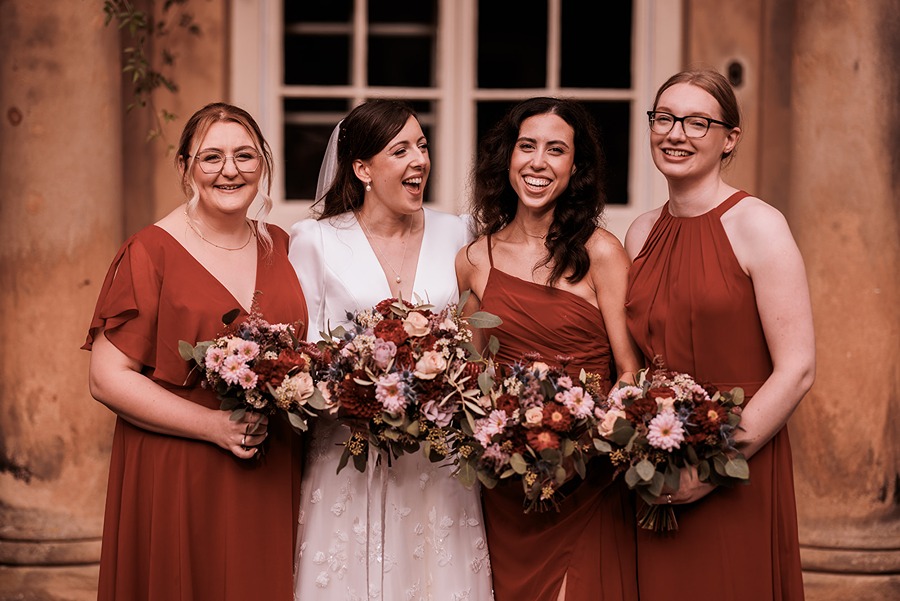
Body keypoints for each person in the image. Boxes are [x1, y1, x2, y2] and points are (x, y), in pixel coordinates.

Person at [83, 103, 306, 600]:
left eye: (245, 156)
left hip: (269, 466)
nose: (230, 170)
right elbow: (106, 377)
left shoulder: (285, 247)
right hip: (179, 466)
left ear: (263, 165)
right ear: (185, 169)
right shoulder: (151, 250)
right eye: (212, 157)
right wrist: (213, 426)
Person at [288, 99, 493, 600]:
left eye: (422, 146)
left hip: (437, 456)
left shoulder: (460, 232)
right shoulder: (314, 240)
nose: (419, 160)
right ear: (362, 168)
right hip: (347, 450)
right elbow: (306, 353)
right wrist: (358, 395)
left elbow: (477, 342)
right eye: (400, 149)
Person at [624, 69, 815, 600]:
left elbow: (797, 369)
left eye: (696, 122)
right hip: (657, 467)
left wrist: (710, 469)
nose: (675, 133)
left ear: (730, 138)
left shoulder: (759, 224)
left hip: (737, 464)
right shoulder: (640, 232)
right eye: (664, 118)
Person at [456, 97, 643, 601]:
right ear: (508, 157)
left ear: (575, 167)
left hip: (585, 480)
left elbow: (629, 372)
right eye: (527, 146)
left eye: (556, 150)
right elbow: (472, 380)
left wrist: (585, 440)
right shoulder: (475, 259)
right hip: (508, 482)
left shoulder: (600, 252)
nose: (538, 162)